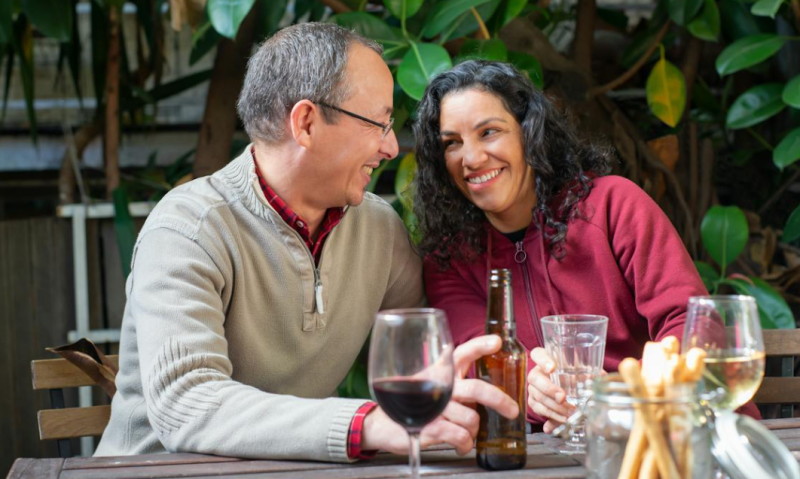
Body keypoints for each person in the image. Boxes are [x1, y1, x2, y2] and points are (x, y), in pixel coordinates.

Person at [94, 24, 518, 462]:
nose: (392, 147)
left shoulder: (377, 228)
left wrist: (493, 377)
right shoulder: (189, 228)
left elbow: (428, 346)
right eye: (379, 122)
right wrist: (365, 423)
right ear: (307, 123)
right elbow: (188, 405)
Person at [413, 60, 760, 433]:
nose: (472, 158)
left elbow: (693, 326)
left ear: (529, 133)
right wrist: (533, 388)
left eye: (489, 132)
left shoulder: (614, 206)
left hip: (682, 433)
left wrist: (620, 393)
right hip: (562, 454)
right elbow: (482, 357)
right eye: (452, 143)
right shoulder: (450, 256)